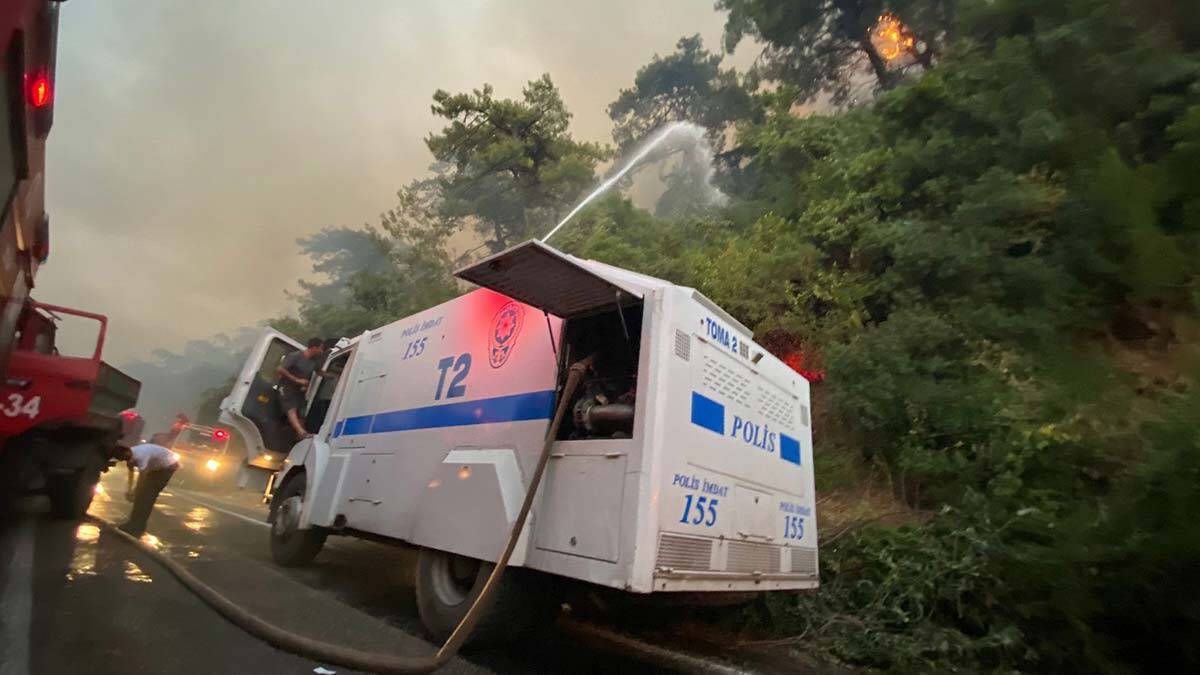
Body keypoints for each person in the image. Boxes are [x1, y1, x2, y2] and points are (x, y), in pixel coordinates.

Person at [113, 433, 180, 536]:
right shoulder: (129, 455)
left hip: (168, 466)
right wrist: (130, 490)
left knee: (147, 497)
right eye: (122, 459)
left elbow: (142, 477)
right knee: (141, 496)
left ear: (127, 452)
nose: (125, 460)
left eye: (125, 458)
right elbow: (131, 473)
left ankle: (138, 527)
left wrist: (136, 491)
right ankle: (132, 523)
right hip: (156, 467)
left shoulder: (141, 455)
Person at [276, 337, 329, 438]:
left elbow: (319, 372)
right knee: (291, 408)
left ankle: (301, 435)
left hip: (300, 390)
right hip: (286, 387)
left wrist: (334, 376)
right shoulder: (295, 356)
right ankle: (301, 432)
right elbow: (280, 369)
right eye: (320, 348)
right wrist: (297, 380)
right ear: (314, 348)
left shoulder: (314, 361)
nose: (321, 351)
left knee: (302, 412)